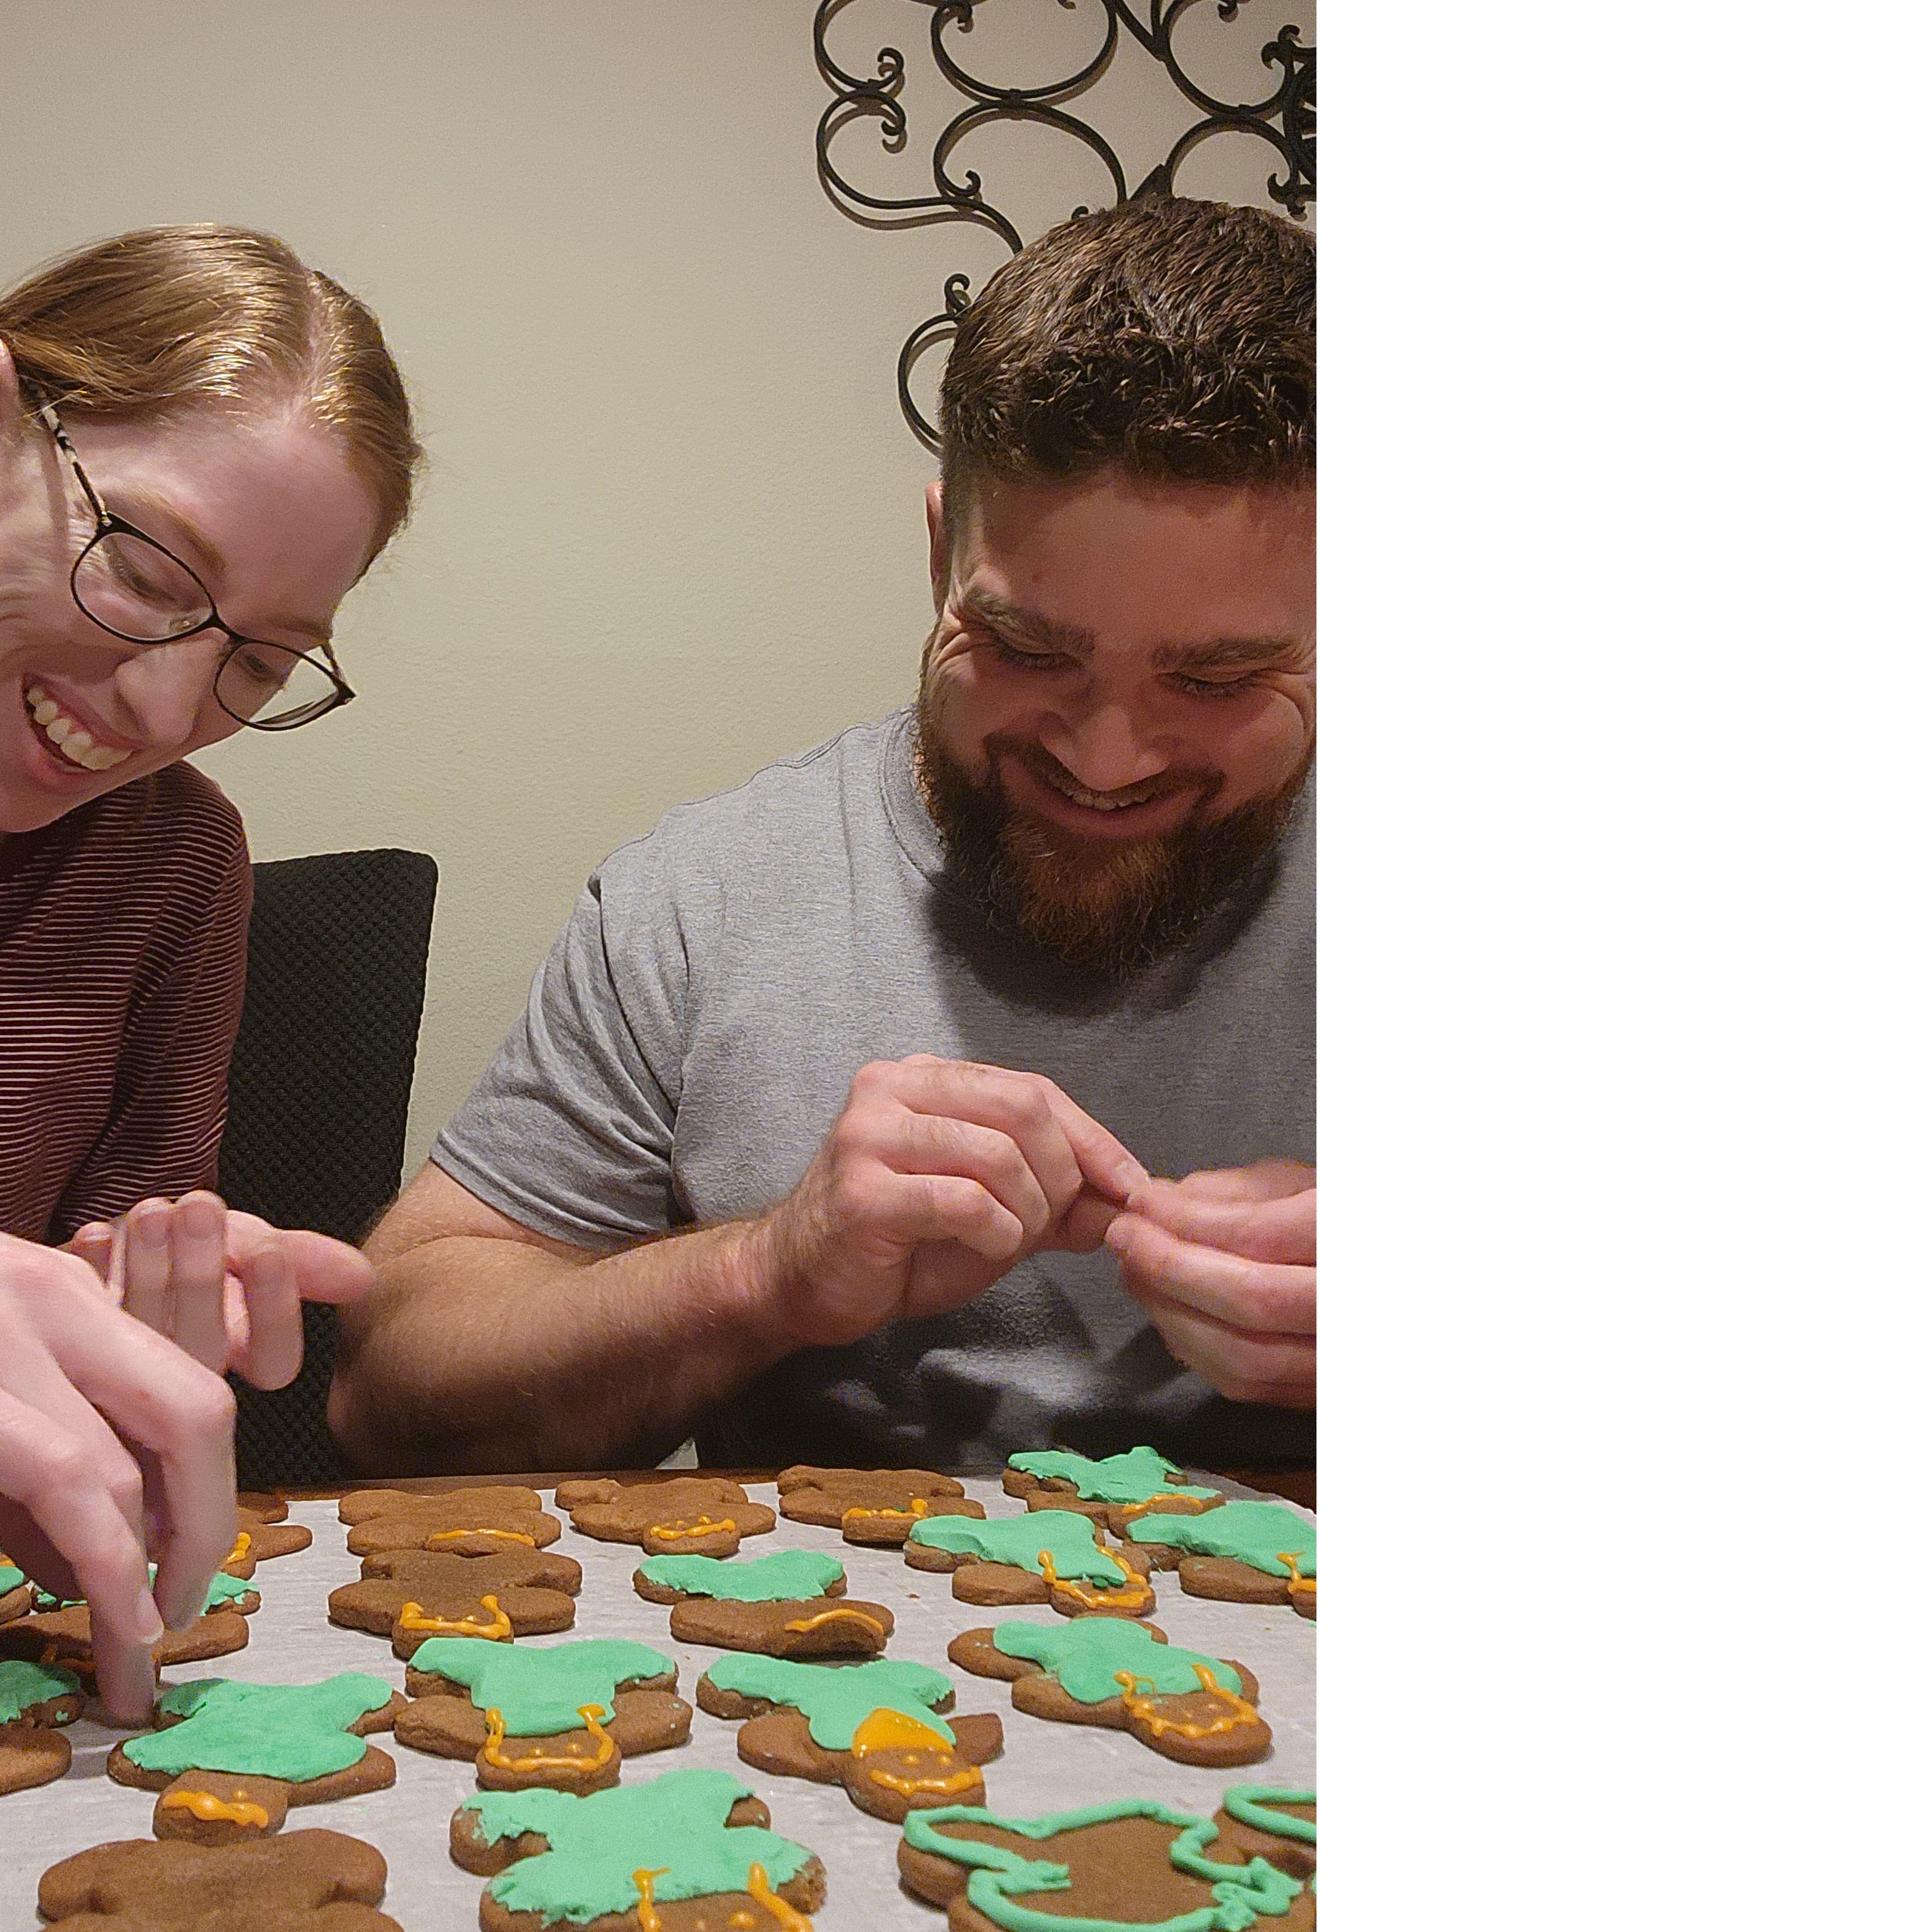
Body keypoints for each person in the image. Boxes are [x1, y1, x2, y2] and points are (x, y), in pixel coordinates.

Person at [330, 195, 1313, 1480]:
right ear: (937, 556)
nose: (1103, 757)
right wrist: (768, 1271)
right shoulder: (703, 898)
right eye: (1024, 650)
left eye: (1218, 678)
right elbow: (387, 1394)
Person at [0, 224, 421, 1715]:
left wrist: (132, 1317)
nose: (169, 701)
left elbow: (98, 1291)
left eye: (256, 661)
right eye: (145, 566)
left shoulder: (174, 870)